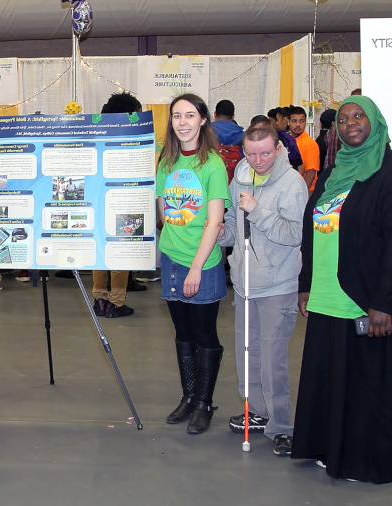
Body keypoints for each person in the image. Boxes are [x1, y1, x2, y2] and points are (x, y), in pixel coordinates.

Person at [292, 96, 392, 483]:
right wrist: (306, 284)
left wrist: (383, 303)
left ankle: (367, 461)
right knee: (333, 376)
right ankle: (331, 448)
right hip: (328, 293)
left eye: (358, 115)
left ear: (374, 120)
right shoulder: (333, 173)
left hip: (368, 298)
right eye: (343, 118)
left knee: (369, 383)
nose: (350, 122)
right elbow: (312, 231)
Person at [216, 121, 308, 456]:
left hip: (278, 285)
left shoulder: (292, 184)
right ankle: (256, 411)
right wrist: (217, 235)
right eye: (252, 154)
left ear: (279, 149)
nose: (259, 160)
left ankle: (282, 426)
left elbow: (294, 234)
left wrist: (258, 212)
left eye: (266, 153)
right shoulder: (239, 176)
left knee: (272, 361)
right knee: (247, 353)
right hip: (244, 284)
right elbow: (230, 223)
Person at [157, 93, 230, 435]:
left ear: (203, 120)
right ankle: (188, 396)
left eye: (189, 116)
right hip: (172, 259)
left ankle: (204, 402)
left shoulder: (212, 164)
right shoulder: (167, 161)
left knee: (204, 333)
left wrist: (197, 267)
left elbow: (215, 222)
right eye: (176, 116)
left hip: (202, 262)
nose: (182, 122)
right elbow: (162, 206)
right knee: (183, 333)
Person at [92, 92, 146, 318]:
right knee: (121, 252)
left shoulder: (95, 134)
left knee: (100, 251)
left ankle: (99, 300)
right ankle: (116, 303)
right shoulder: (130, 138)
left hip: (97, 200)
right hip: (125, 200)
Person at [211, 99, 244, 183]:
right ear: (233, 116)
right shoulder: (244, 137)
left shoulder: (205, 134)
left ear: (215, 113)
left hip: (211, 182)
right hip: (236, 183)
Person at [288, 105, 320, 189]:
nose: (298, 125)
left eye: (301, 121)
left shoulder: (309, 143)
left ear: (305, 122)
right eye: (294, 121)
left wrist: (302, 193)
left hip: (306, 189)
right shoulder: (288, 140)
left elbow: (311, 173)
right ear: (288, 122)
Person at [269, 108, 304, 172]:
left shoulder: (281, 138)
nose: (276, 123)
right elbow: (300, 165)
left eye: (277, 120)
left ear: (285, 120)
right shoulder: (291, 139)